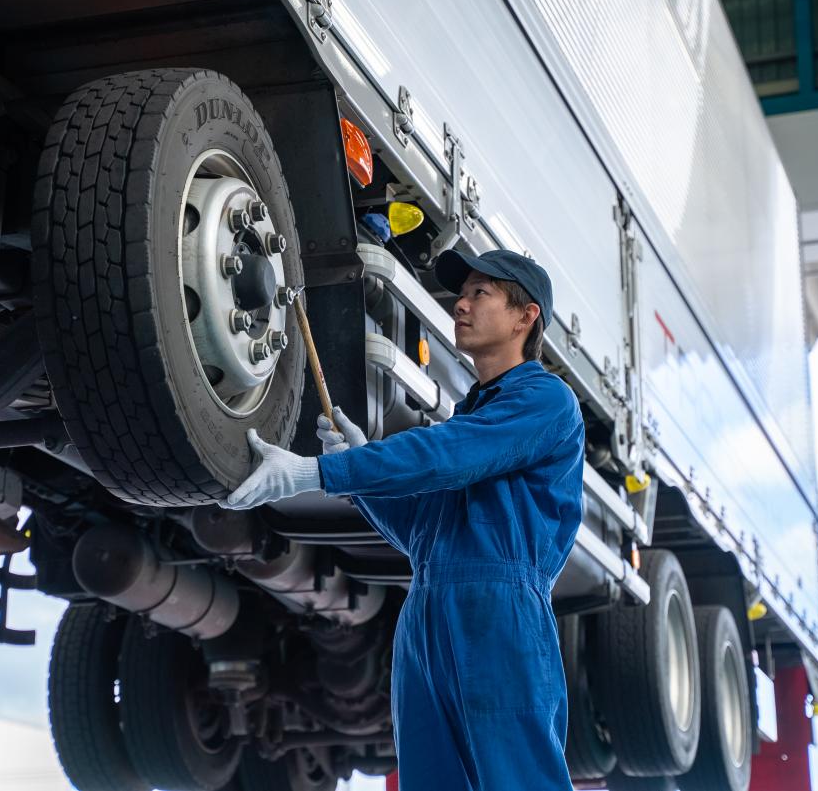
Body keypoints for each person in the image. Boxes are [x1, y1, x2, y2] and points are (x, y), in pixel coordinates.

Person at [220, 248, 585, 790]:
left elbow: (446, 454)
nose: (460, 304)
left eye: (479, 293)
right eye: (462, 294)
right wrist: (362, 466)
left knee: (516, 778)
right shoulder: (477, 412)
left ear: (525, 316)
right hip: (428, 610)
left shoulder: (544, 400)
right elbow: (421, 533)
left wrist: (323, 471)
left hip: (499, 614)